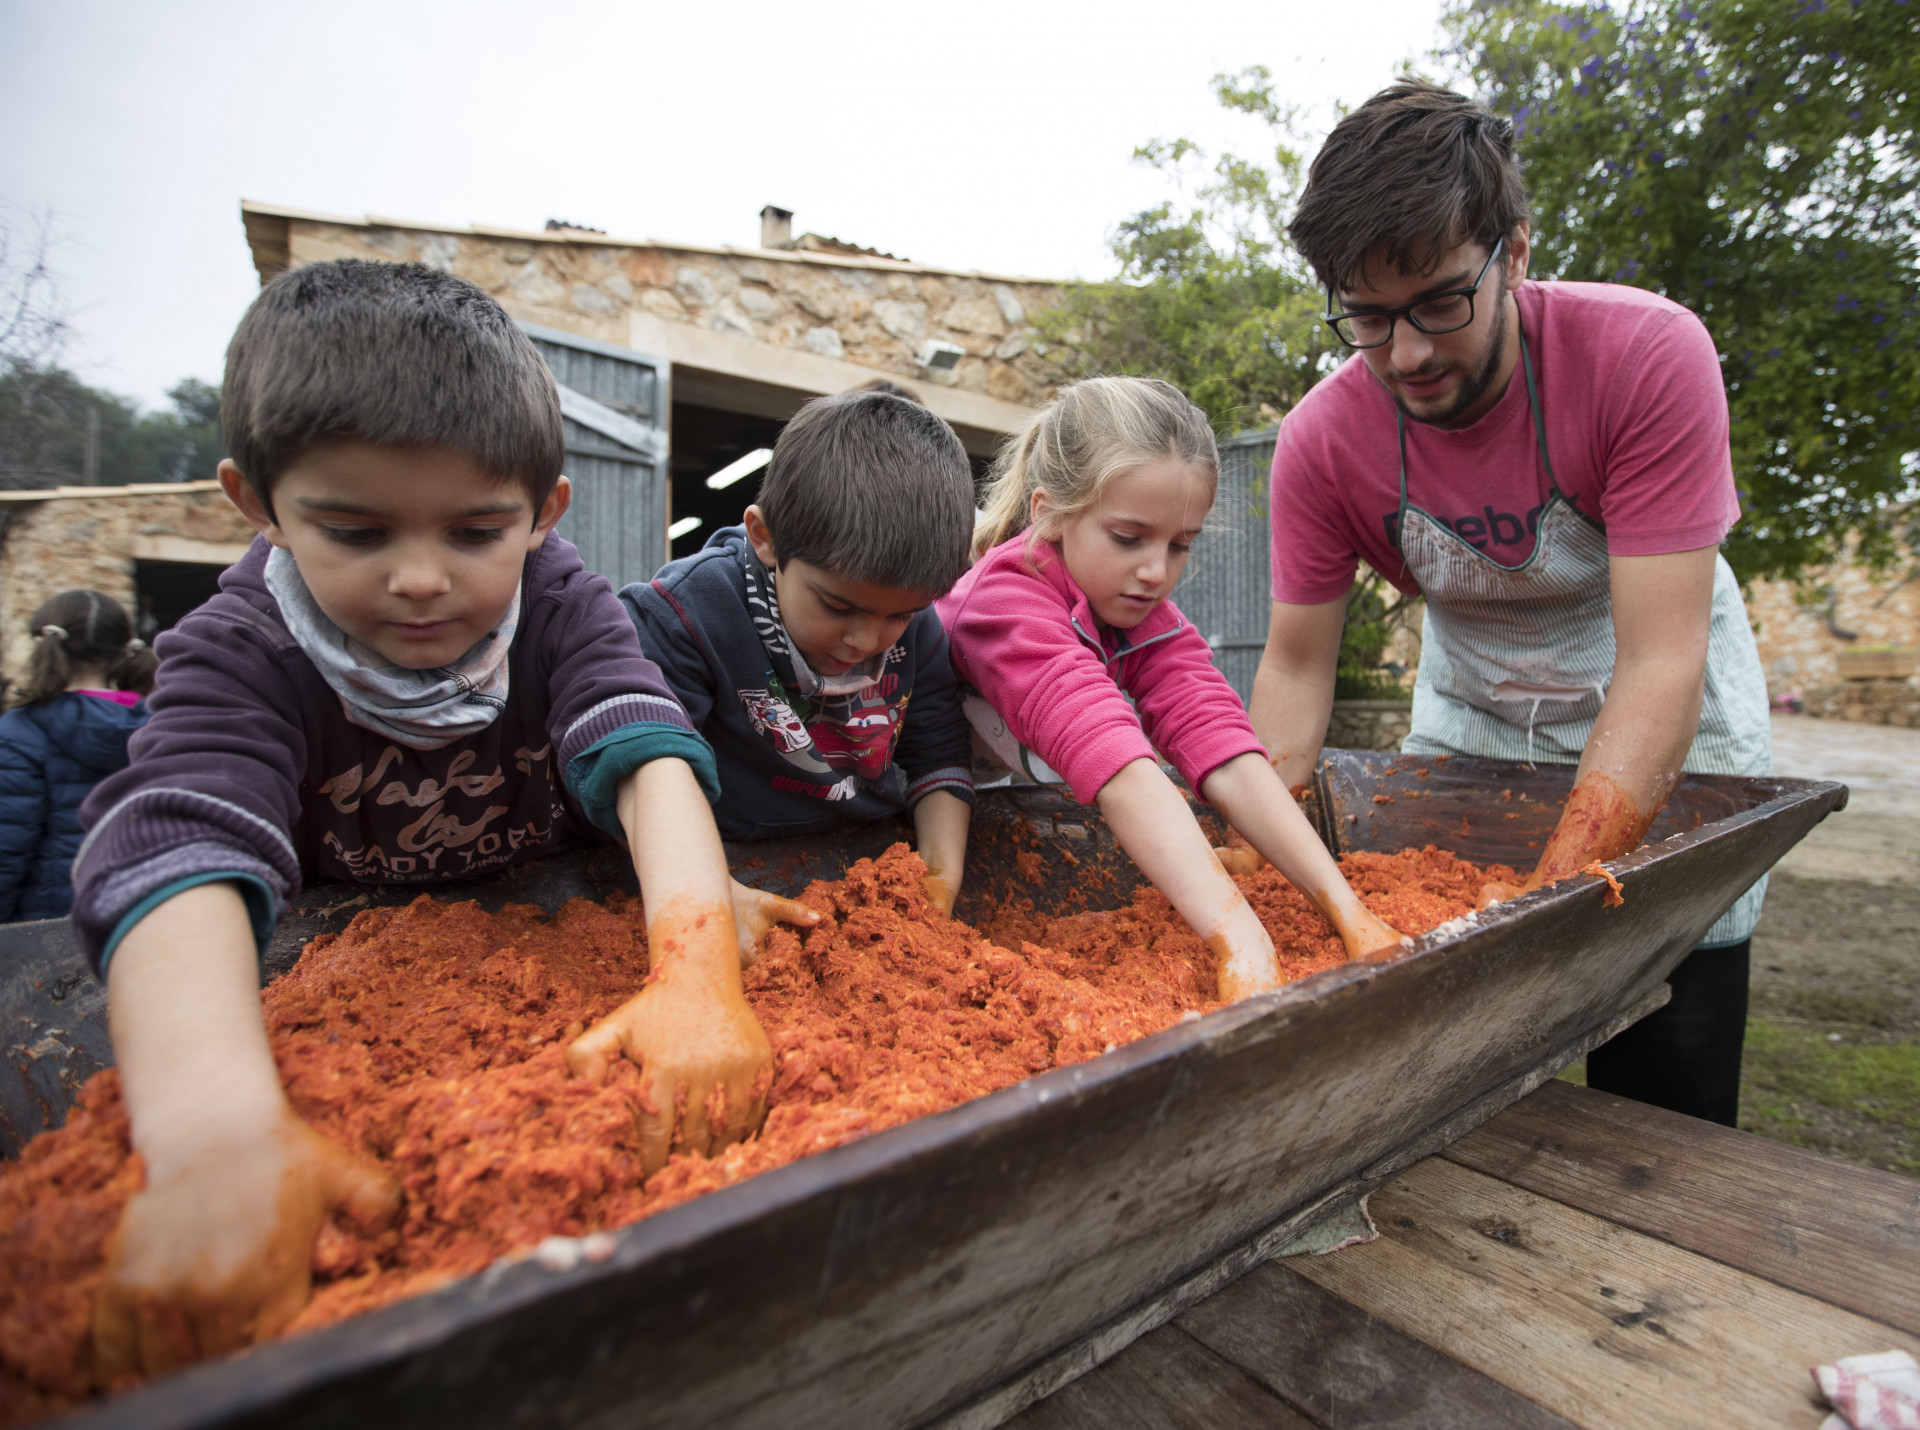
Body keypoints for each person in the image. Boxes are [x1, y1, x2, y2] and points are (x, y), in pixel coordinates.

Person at [70, 259, 797, 1379]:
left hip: (542, 932)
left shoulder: (559, 602)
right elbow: (180, 844)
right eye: (356, 533)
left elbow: (646, 748)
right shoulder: (240, 650)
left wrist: (695, 964)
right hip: (338, 972)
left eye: (473, 533)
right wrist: (211, 1134)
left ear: (544, 515)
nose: (420, 579)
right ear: (258, 502)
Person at [1254, 81, 1771, 1124]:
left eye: (1442, 299)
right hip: (1476, 714)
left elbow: (1660, 659)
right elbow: (1299, 669)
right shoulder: (1322, 441)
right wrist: (1246, 854)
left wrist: (1546, 906)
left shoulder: (1644, 357)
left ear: (1516, 251)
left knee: (1664, 1055)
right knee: (1458, 1064)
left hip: (1667, 704)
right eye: (1367, 314)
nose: (1406, 353)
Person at [938, 377, 1407, 1002]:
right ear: (1048, 512)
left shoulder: (1131, 606)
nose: (1157, 572)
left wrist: (1347, 911)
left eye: (1180, 545)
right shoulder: (1004, 603)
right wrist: (1237, 936)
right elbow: (1117, 762)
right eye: (1129, 539)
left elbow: (1223, 745)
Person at [622, 380, 975, 916]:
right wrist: (708, 891)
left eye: (898, 615)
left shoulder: (920, 630)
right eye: (837, 607)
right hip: (718, 856)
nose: (864, 641)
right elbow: (645, 764)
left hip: (859, 851)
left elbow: (939, 752)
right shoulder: (692, 613)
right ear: (765, 537)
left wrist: (940, 878)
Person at [0, 591, 156, 922]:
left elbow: (7, 846)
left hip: (43, 930)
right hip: (139, 917)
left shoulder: (19, 730)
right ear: (123, 650)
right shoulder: (160, 725)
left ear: (42, 643)